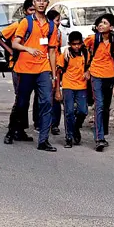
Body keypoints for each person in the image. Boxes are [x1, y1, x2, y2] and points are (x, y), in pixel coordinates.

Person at [2, 0, 59, 151]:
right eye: (38, 0)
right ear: (34, 2)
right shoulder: (26, 22)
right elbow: (15, 43)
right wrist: (28, 49)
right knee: (21, 104)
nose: (41, 3)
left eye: (44, 1)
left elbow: (52, 51)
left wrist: (54, 75)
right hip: (25, 69)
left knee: (47, 102)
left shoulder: (51, 26)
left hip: (43, 69)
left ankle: (43, 141)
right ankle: (11, 131)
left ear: (48, 3)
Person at [0, 0, 37, 142]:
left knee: (25, 101)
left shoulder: (38, 25)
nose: (34, 12)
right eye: (31, 9)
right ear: (26, 11)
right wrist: (11, 51)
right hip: (18, 67)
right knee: (20, 100)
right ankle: (11, 131)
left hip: (33, 68)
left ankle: (20, 130)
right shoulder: (18, 25)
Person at [83, 13, 114, 152]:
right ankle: (99, 138)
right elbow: (79, 48)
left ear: (111, 27)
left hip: (109, 76)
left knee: (105, 106)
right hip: (96, 75)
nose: (100, 25)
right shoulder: (93, 39)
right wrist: (86, 68)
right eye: (99, 23)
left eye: (104, 23)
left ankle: (102, 133)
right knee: (98, 105)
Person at [56, 31, 89, 148]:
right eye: (74, 44)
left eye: (78, 44)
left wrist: (87, 72)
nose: (76, 46)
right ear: (70, 44)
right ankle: (69, 136)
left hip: (81, 86)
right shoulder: (65, 55)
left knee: (83, 111)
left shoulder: (85, 53)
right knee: (69, 111)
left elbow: (89, 66)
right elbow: (58, 72)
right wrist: (57, 89)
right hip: (68, 85)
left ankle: (75, 127)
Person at [46, 8, 63, 138]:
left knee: (57, 96)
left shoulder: (59, 33)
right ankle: (43, 123)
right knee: (46, 97)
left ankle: (55, 124)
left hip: (56, 66)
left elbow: (57, 51)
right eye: (57, 20)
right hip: (45, 67)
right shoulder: (46, 31)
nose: (59, 23)